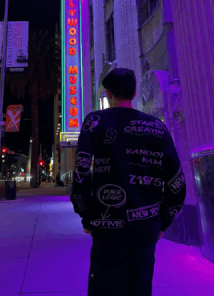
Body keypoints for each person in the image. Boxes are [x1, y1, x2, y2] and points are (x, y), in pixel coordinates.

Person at [70, 68, 187, 296]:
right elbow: (177, 182)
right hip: (145, 227)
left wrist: (86, 215)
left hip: (107, 227)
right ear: (134, 94)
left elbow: (81, 173)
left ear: (108, 93)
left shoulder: (95, 121)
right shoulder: (157, 126)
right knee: (140, 288)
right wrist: (162, 222)